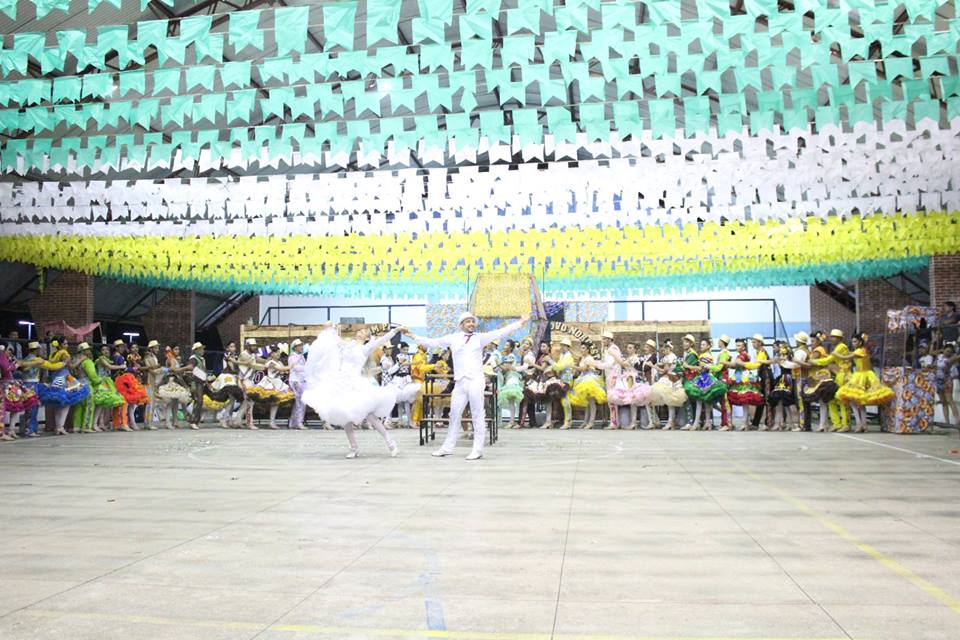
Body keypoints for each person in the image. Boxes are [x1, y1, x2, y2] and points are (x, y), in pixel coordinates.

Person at [406, 312, 528, 459]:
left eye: (472, 321)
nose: (471, 324)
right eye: (468, 321)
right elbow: (433, 342)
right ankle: (447, 447)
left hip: (475, 380)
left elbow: (500, 332)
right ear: (461, 324)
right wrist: (413, 336)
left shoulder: (480, 338)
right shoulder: (453, 338)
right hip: (460, 382)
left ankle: (478, 449)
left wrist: (520, 323)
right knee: (454, 414)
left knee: (477, 414)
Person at [303, 324, 404, 458]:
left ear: (367, 337)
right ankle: (353, 447)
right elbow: (334, 340)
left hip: (356, 384)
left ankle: (390, 443)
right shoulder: (348, 345)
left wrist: (395, 331)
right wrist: (329, 328)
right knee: (345, 416)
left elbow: (381, 340)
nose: (360, 332)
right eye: (360, 331)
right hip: (341, 383)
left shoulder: (365, 348)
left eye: (364, 332)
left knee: (370, 415)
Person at [835, 333, 895, 432]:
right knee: (860, 402)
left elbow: (846, 357)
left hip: (861, 376)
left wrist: (835, 354)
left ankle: (860, 424)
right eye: (852, 342)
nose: (853, 343)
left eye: (855, 341)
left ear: (860, 342)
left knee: (854, 401)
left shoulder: (859, 351)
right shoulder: (862, 350)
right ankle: (863, 425)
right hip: (865, 375)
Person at [36, 338, 88, 435]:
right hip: (65, 378)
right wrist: (81, 359)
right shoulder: (64, 353)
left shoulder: (53, 354)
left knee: (58, 403)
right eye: (65, 343)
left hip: (55, 378)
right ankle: (61, 427)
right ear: (60, 345)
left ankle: (58, 427)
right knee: (66, 402)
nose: (67, 345)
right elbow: (71, 366)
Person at [17, 341, 65, 437]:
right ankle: (30, 430)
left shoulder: (26, 359)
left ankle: (30, 428)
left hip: (25, 384)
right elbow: (51, 367)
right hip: (32, 385)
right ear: (37, 350)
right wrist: (64, 363)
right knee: (33, 407)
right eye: (40, 349)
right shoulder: (37, 360)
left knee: (28, 407)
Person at [801, 332, 839, 432]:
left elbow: (810, 363)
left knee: (823, 401)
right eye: (811, 341)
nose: (811, 343)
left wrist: (797, 361)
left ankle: (823, 424)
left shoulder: (818, 350)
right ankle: (824, 424)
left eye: (813, 341)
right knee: (823, 401)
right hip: (817, 377)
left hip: (821, 376)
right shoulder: (817, 349)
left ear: (818, 341)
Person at [1, 343, 39, 440]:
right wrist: (16, 364)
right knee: (3, 410)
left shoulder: (7, 358)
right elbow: (7, 368)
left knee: (16, 408)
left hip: (11, 384)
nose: (10, 352)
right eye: (9, 350)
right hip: (5, 385)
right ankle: (3, 432)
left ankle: (11, 430)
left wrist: (15, 362)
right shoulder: (1, 356)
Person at [647, 340, 686, 429]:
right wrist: (659, 364)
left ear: (668, 349)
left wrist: (653, 366)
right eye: (662, 350)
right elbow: (663, 364)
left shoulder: (671, 357)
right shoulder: (668, 356)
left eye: (664, 350)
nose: (663, 352)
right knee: (669, 401)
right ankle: (670, 421)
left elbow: (664, 370)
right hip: (669, 377)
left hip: (670, 378)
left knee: (670, 400)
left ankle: (670, 421)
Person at [568, 353, 607, 429]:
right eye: (581, 348)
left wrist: (573, 366)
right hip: (583, 378)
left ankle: (591, 422)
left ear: (587, 350)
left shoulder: (589, 358)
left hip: (589, 379)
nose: (582, 350)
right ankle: (586, 421)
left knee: (591, 402)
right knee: (587, 403)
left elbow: (584, 369)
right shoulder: (582, 358)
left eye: (583, 348)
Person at [543, 338, 575, 430]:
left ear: (568, 347)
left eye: (564, 346)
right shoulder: (562, 356)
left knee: (565, 400)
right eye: (562, 345)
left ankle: (568, 421)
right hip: (562, 380)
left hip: (567, 380)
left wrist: (550, 360)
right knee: (563, 400)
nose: (562, 347)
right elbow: (557, 368)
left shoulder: (568, 357)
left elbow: (559, 367)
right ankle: (566, 421)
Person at [237, 339, 267, 429]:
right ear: (247, 346)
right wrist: (266, 366)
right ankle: (249, 423)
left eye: (255, 346)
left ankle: (236, 421)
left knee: (246, 402)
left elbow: (259, 360)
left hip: (249, 380)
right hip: (243, 380)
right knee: (250, 401)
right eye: (253, 346)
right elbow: (252, 365)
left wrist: (270, 361)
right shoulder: (244, 354)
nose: (255, 347)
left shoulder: (253, 354)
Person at [391, 342, 420, 428]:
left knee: (407, 402)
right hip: (399, 379)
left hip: (406, 378)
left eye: (407, 350)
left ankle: (409, 421)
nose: (406, 351)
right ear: (400, 349)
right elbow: (403, 364)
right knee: (400, 402)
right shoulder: (399, 356)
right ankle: (401, 421)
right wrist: (415, 363)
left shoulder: (408, 356)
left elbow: (408, 367)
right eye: (404, 350)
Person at [142, 340, 163, 429]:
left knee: (152, 402)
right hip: (149, 381)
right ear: (151, 349)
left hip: (153, 381)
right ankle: (148, 423)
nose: (157, 349)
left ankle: (148, 422)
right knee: (150, 402)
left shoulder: (153, 357)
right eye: (155, 348)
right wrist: (161, 370)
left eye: (157, 348)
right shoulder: (147, 357)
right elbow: (151, 370)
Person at [287, 339, 308, 429]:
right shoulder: (292, 356)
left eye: (301, 345)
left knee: (300, 402)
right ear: (295, 347)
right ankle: (298, 422)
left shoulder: (301, 356)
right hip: (295, 381)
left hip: (301, 380)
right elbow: (295, 368)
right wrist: (307, 368)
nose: (301, 347)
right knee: (300, 402)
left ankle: (293, 422)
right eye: (299, 346)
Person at [186, 342, 207, 430]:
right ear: (196, 350)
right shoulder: (194, 358)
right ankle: (193, 421)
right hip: (196, 382)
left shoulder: (201, 359)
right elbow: (190, 367)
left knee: (199, 401)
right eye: (201, 349)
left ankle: (195, 420)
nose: (203, 351)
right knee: (198, 401)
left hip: (201, 382)